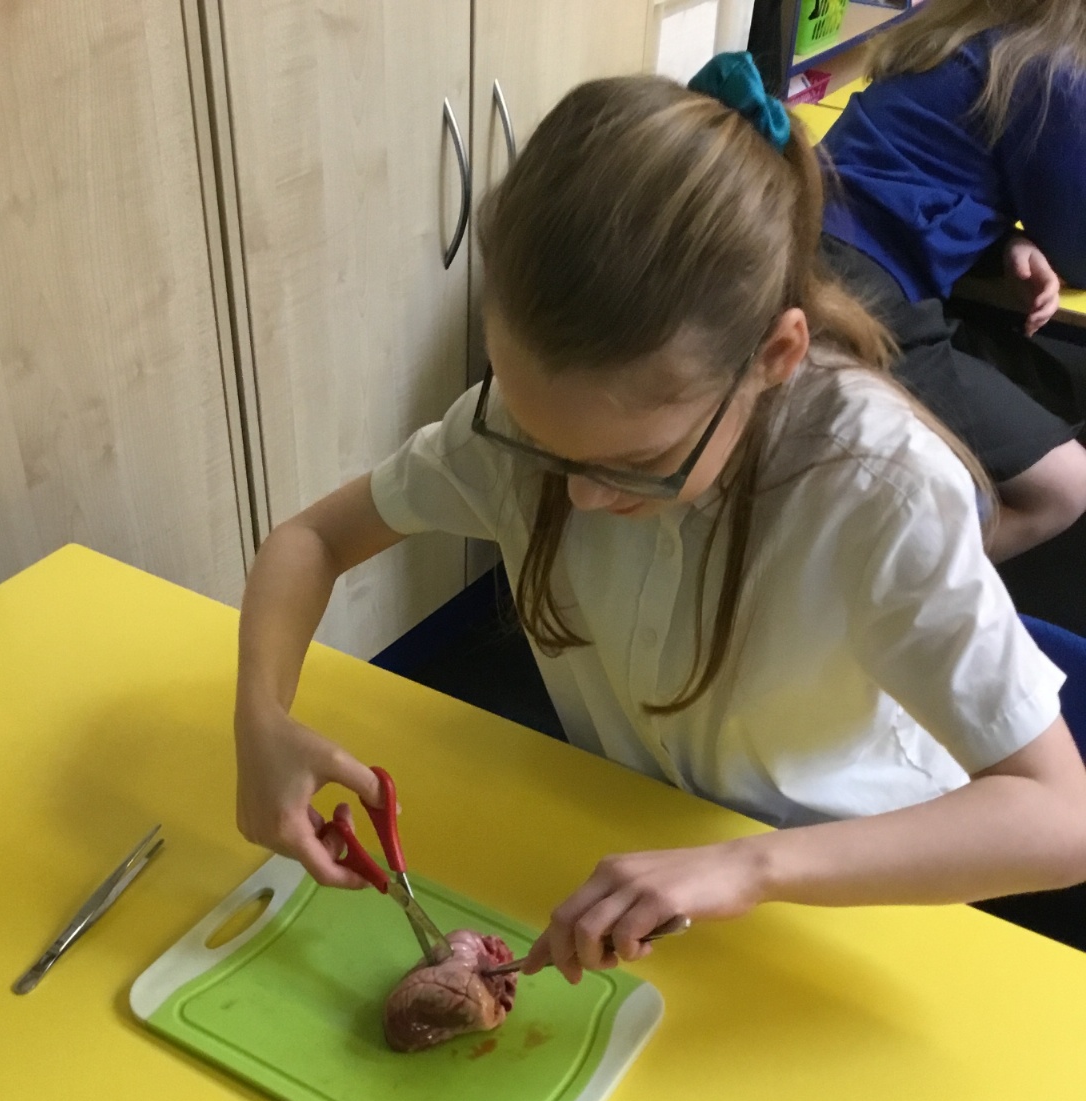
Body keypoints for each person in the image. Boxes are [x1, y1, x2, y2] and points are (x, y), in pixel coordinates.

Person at [234, 55, 1086, 986]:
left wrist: (749, 866)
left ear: (775, 357)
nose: (581, 495)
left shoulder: (877, 487)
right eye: (542, 442)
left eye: (638, 461)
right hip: (639, 847)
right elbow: (311, 540)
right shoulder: (526, 426)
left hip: (849, 891)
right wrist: (261, 720)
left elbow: (1059, 818)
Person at [820, 0, 1086, 563]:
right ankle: (869, 581)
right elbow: (1079, 252)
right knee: (1066, 487)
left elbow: (904, 178)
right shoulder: (1050, 71)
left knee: (1049, 390)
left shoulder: (955, 34)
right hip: (862, 299)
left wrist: (1006, 242)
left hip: (823, 250)